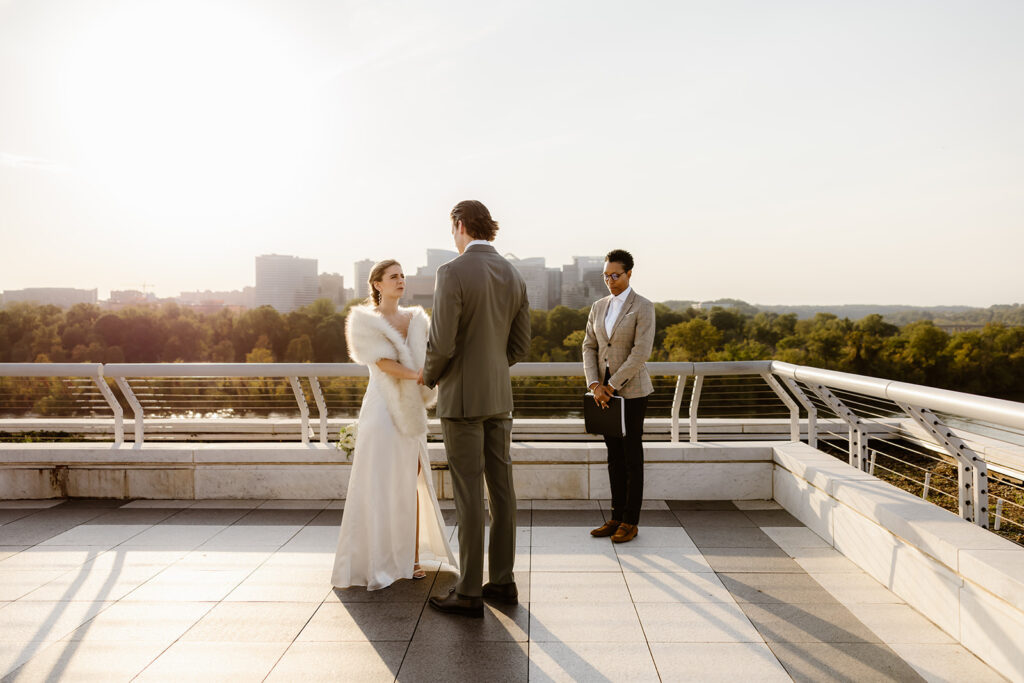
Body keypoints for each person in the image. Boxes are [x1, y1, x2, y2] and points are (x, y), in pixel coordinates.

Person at [419, 200, 531, 618]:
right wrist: (492, 369)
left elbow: (442, 343)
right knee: (503, 491)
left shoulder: (452, 272)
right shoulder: (514, 273)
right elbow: (520, 346)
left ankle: (468, 591)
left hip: (463, 400)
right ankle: (502, 581)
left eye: (453, 229)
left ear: (460, 225)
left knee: (468, 494)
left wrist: (429, 376)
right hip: (500, 399)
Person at [332, 259, 455, 591]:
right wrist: (419, 375)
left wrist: (433, 374)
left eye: (402, 275)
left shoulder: (416, 319)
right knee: (378, 481)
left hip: (410, 409)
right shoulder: (363, 321)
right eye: (393, 276)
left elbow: (432, 355)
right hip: (380, 410)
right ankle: (376, 559)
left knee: (412, 478)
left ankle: (411, 559)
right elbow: (383, 363)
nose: (401, 280)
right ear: (377, 284)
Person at [582, 249, 655, 543]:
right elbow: (589, 347)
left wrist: (612, 384)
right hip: (603, 393)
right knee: (613, 456)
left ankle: (630, 521)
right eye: (606, 275)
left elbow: (641, 352)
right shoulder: (599, 306)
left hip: (632, 391)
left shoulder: (643, 307)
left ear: (629, 274)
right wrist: (595, 385)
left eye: (616, 275)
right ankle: (615, 516)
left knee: (631, 456)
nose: (610, 280)